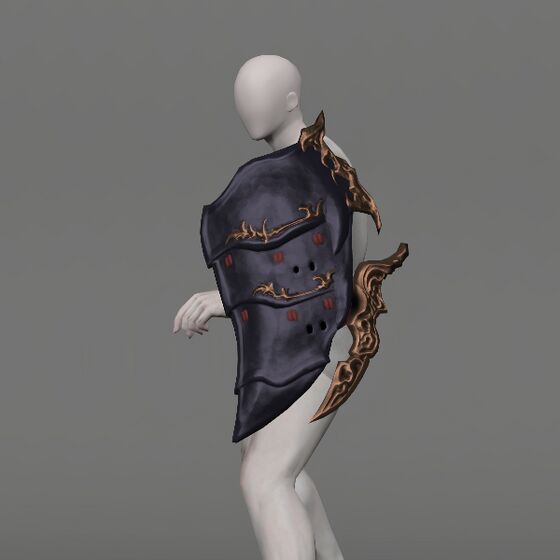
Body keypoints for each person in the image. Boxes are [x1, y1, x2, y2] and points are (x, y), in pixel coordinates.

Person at [174, 54, 370, 560]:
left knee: (265, 479)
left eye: (258, 95)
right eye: (241, 97)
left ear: (290, 99)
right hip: (293, 342)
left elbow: (323, 272)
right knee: (281, 470)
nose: (248, 107)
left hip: (321, 344)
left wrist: (225, 298)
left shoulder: (318, 163)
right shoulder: (306, 161)